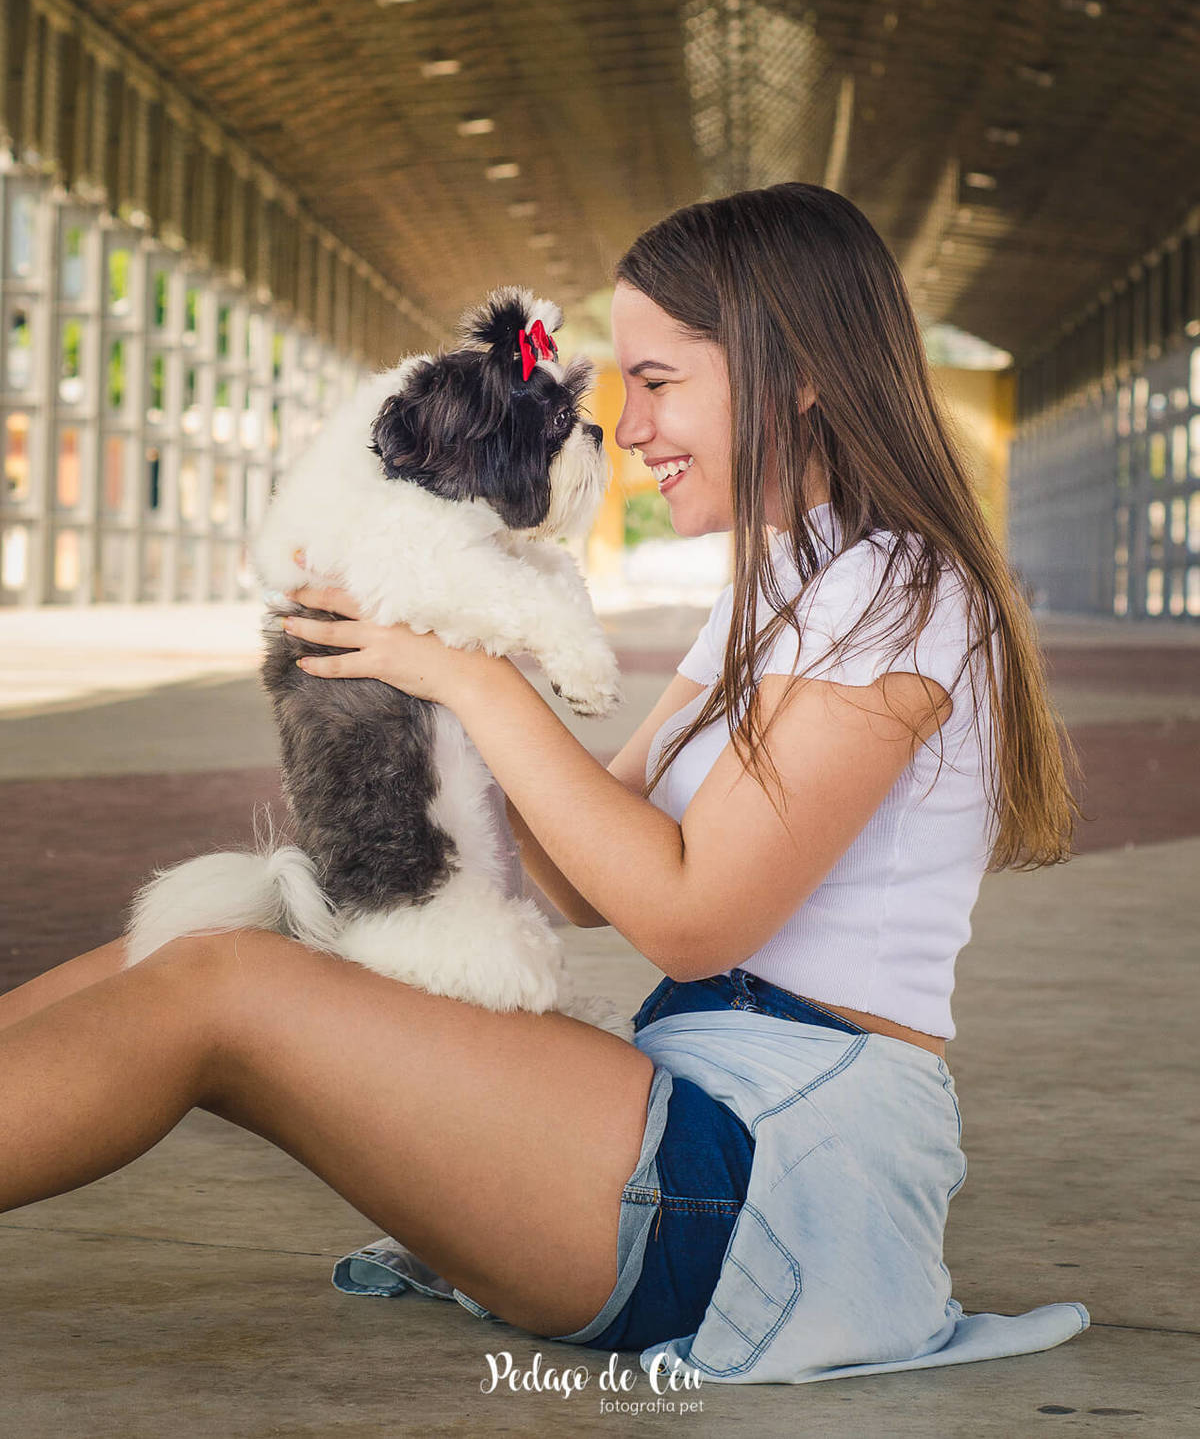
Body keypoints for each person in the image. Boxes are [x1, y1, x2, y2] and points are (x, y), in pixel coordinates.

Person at [0, 182, 1090, 1382]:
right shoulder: (771, 592)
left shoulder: (900, 598)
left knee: (218, 983)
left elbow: (691, 918)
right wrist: (447, 643)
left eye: (659, 380)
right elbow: (577, 876)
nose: (627, 428)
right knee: (207, 934)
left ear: (798, 371)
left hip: (768, 1174)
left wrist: (474, 679)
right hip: (687, 1113)